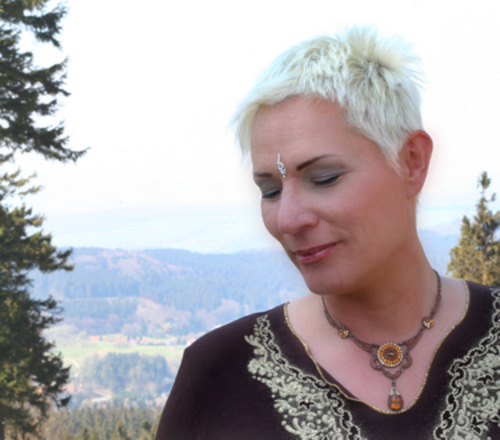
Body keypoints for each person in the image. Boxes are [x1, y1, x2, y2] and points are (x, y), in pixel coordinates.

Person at [156, 26, 500, 439]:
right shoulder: (217, 376)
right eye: (270, 190)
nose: (288, 219)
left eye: (325, 178)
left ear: (412, 162)